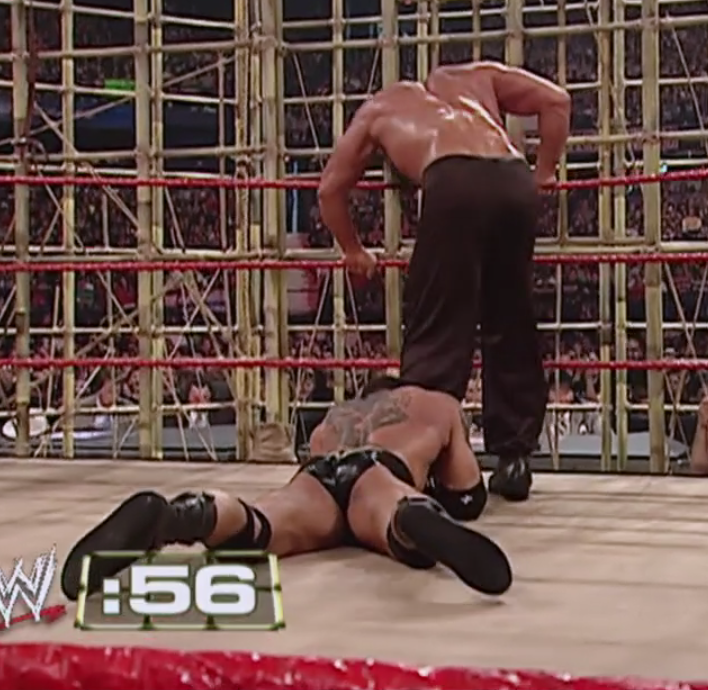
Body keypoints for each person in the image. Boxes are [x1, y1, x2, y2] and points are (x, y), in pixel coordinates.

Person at [317, 61, 572, 502]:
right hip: (513, 178)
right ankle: (514, 459)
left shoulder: (379, 109)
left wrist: (353, 250)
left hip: (453, 182)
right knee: (511, 319)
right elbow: (558, 101)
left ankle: (426, 454)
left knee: (439, 325)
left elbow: (329, 190)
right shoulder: (475, 78)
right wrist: (545, 169)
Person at [60, 375, 512, 602]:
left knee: (260, 526)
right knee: (387, 508)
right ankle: (413, 516)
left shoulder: (336, 419)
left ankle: (183, 514)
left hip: (318, 473)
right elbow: (467, 496)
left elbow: (319, 462)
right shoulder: (436, 405)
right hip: (377, 472)